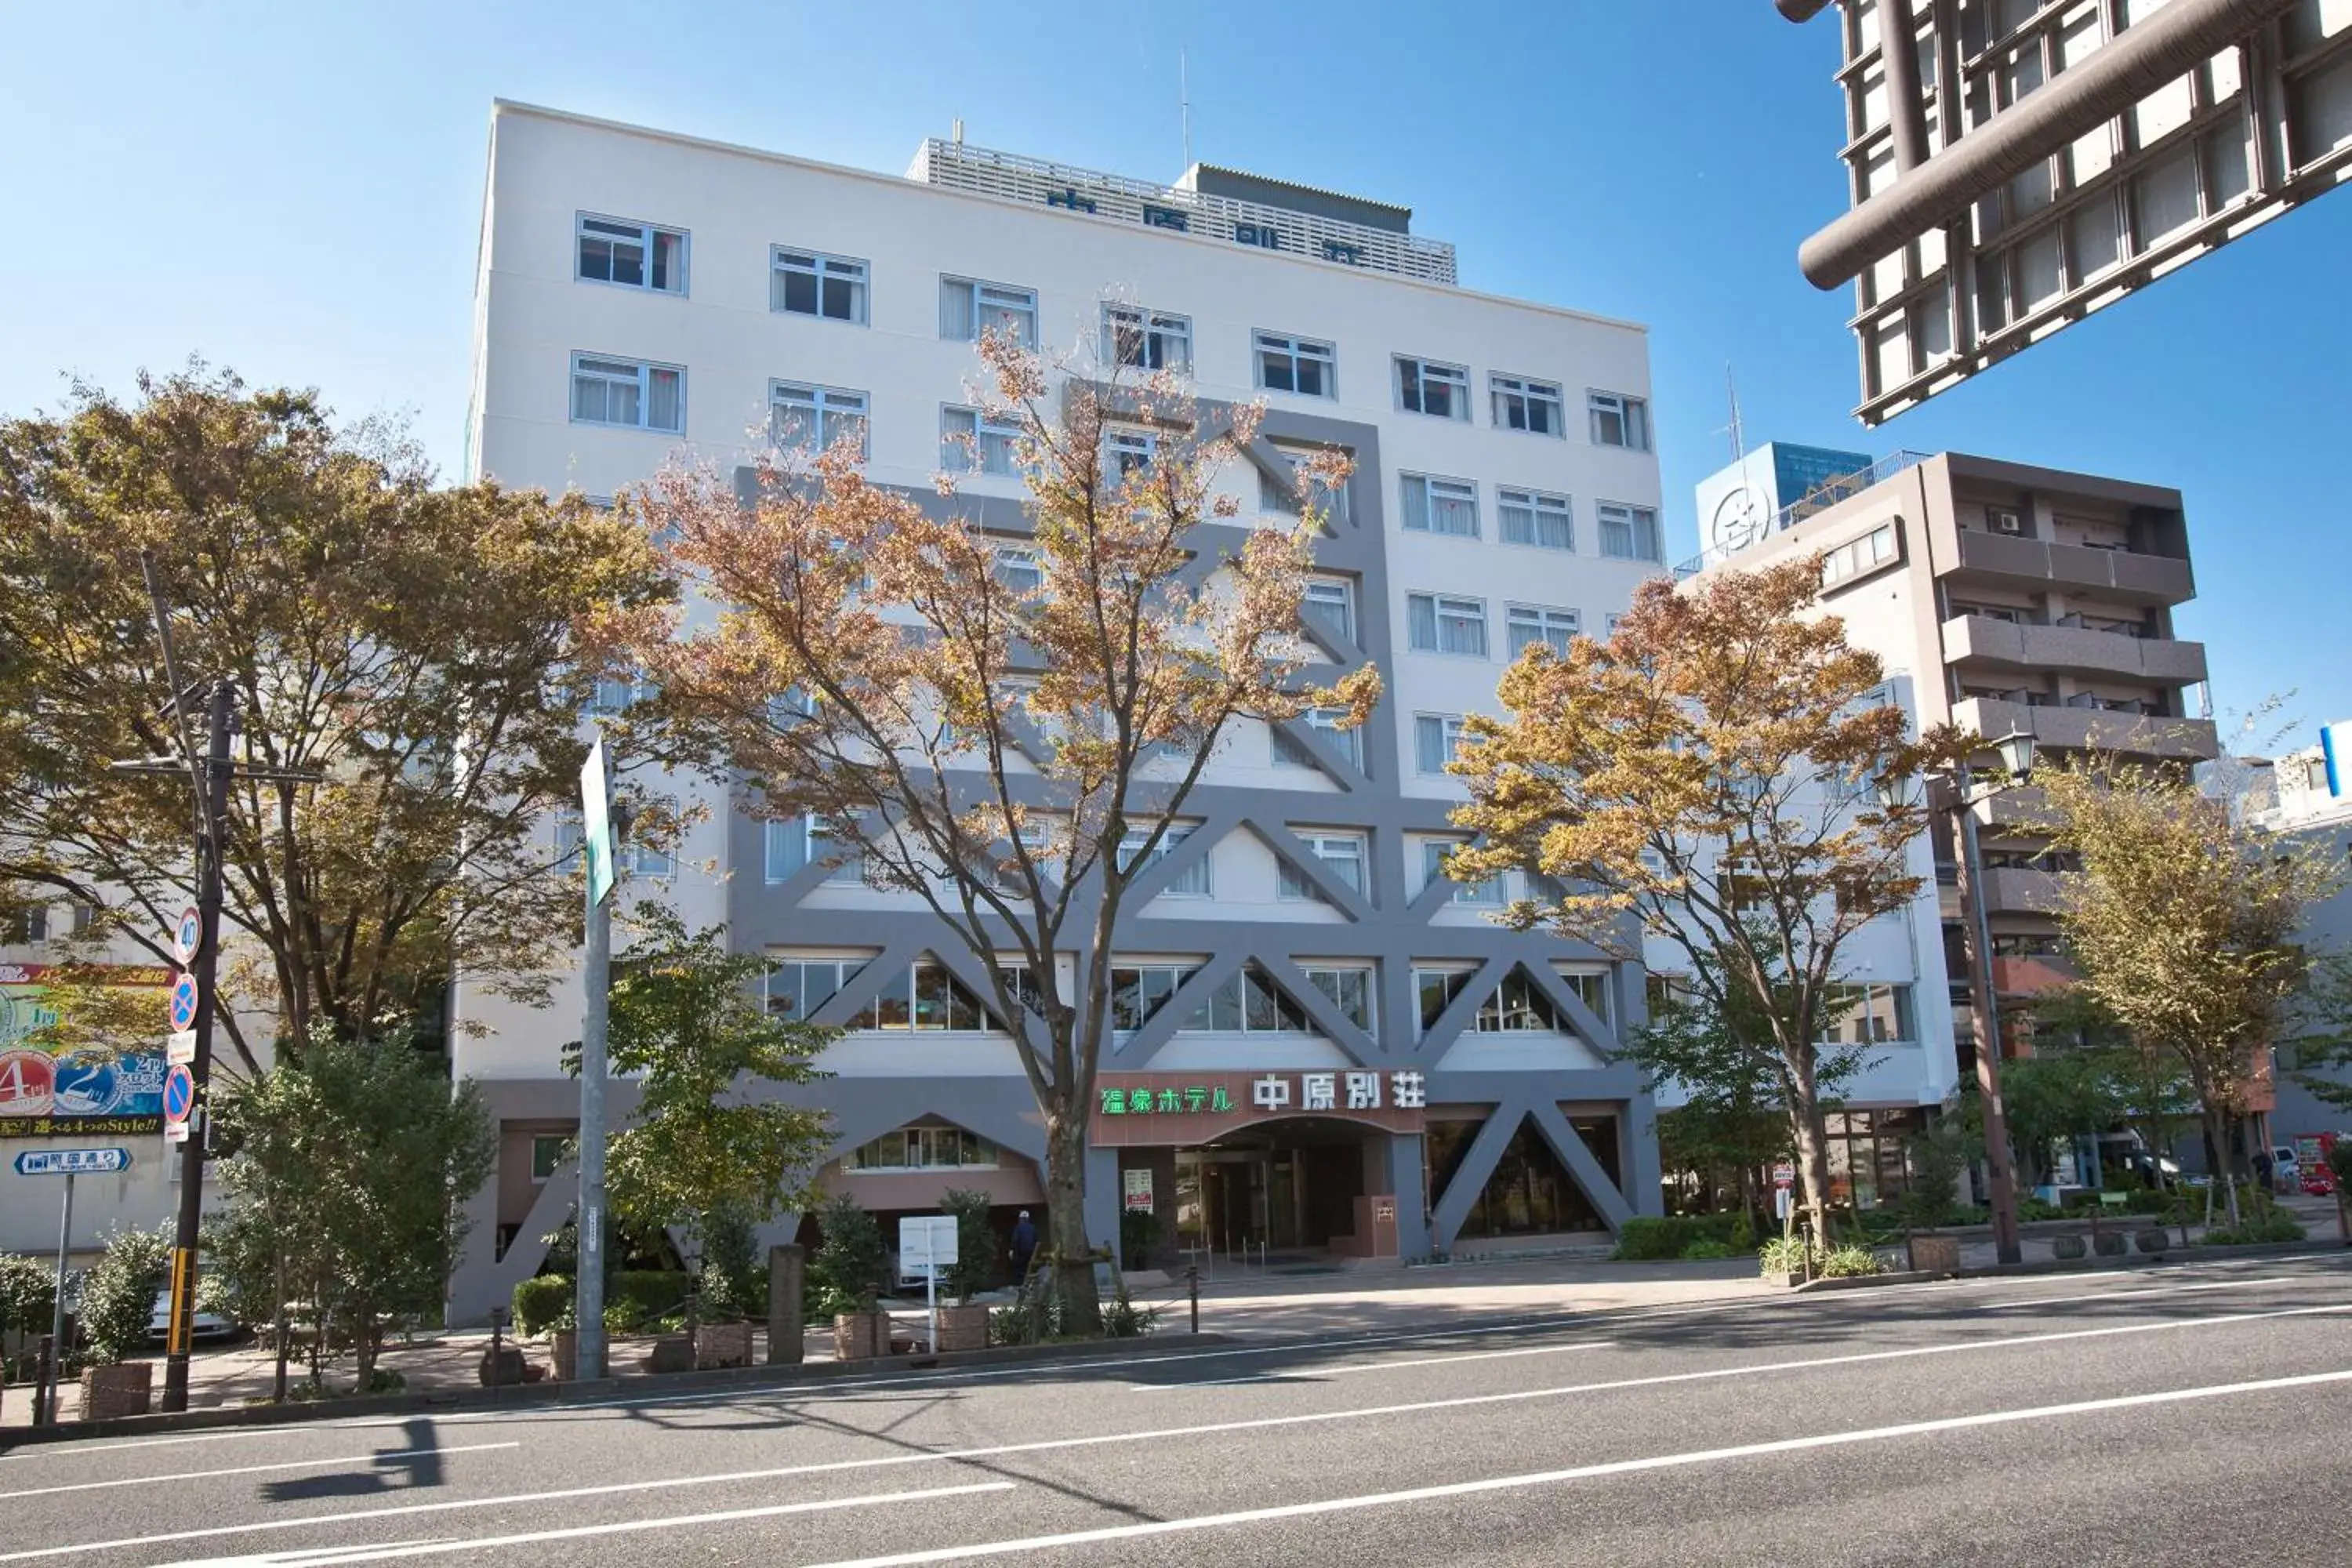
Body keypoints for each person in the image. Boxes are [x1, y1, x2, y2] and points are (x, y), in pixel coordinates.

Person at [1009, 1210, 1038, 1283]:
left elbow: (1015, 1239)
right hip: (1032, 1251)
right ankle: (1030, 1282)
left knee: (1020, 1268)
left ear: (1020, 1218)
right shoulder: (1033, 1227)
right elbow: (1036, 1239)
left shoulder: (1018, 1228)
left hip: (1021, 1252)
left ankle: (1021, 1283)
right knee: (1030, 1267)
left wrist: (1012, 1250)